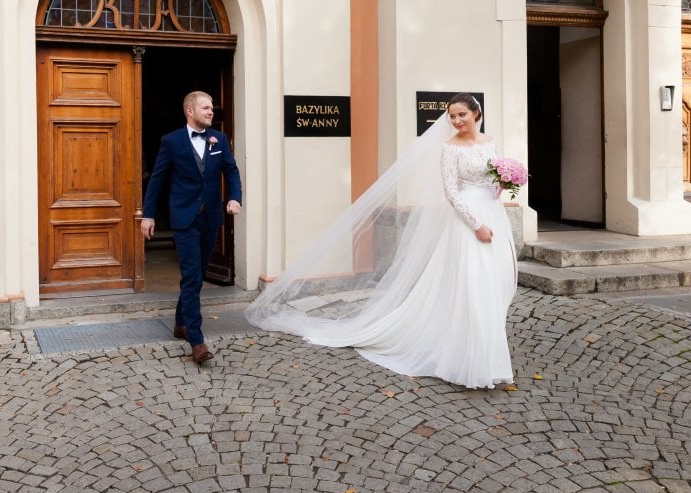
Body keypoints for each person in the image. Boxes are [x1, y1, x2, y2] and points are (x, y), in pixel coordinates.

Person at [245, 93, 517, 389]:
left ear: (476, 113)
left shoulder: (490, 141)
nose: (456, 120)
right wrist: (476, 225)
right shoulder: (450, 148)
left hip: (492, 212)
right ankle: (472, 361)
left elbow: (491, 176)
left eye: (462, 114)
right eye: (452, 116)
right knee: (471, 284)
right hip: (467, 222)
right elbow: (451, 192)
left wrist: (502, 183)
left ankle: (489, 355)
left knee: (494, 281)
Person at [143, 91, 243, 364]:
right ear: (190, 111)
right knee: (191, 275)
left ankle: (180, 324)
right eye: (206, 108)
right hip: (184, 219)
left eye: (212, 108)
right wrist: (148, 215)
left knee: (197, 275)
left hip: (210, 218)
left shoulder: (218, 139)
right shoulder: (172, 141)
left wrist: (235, 197)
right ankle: (196, 340)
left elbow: (231, 170)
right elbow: (157, 180)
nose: (211, 112)